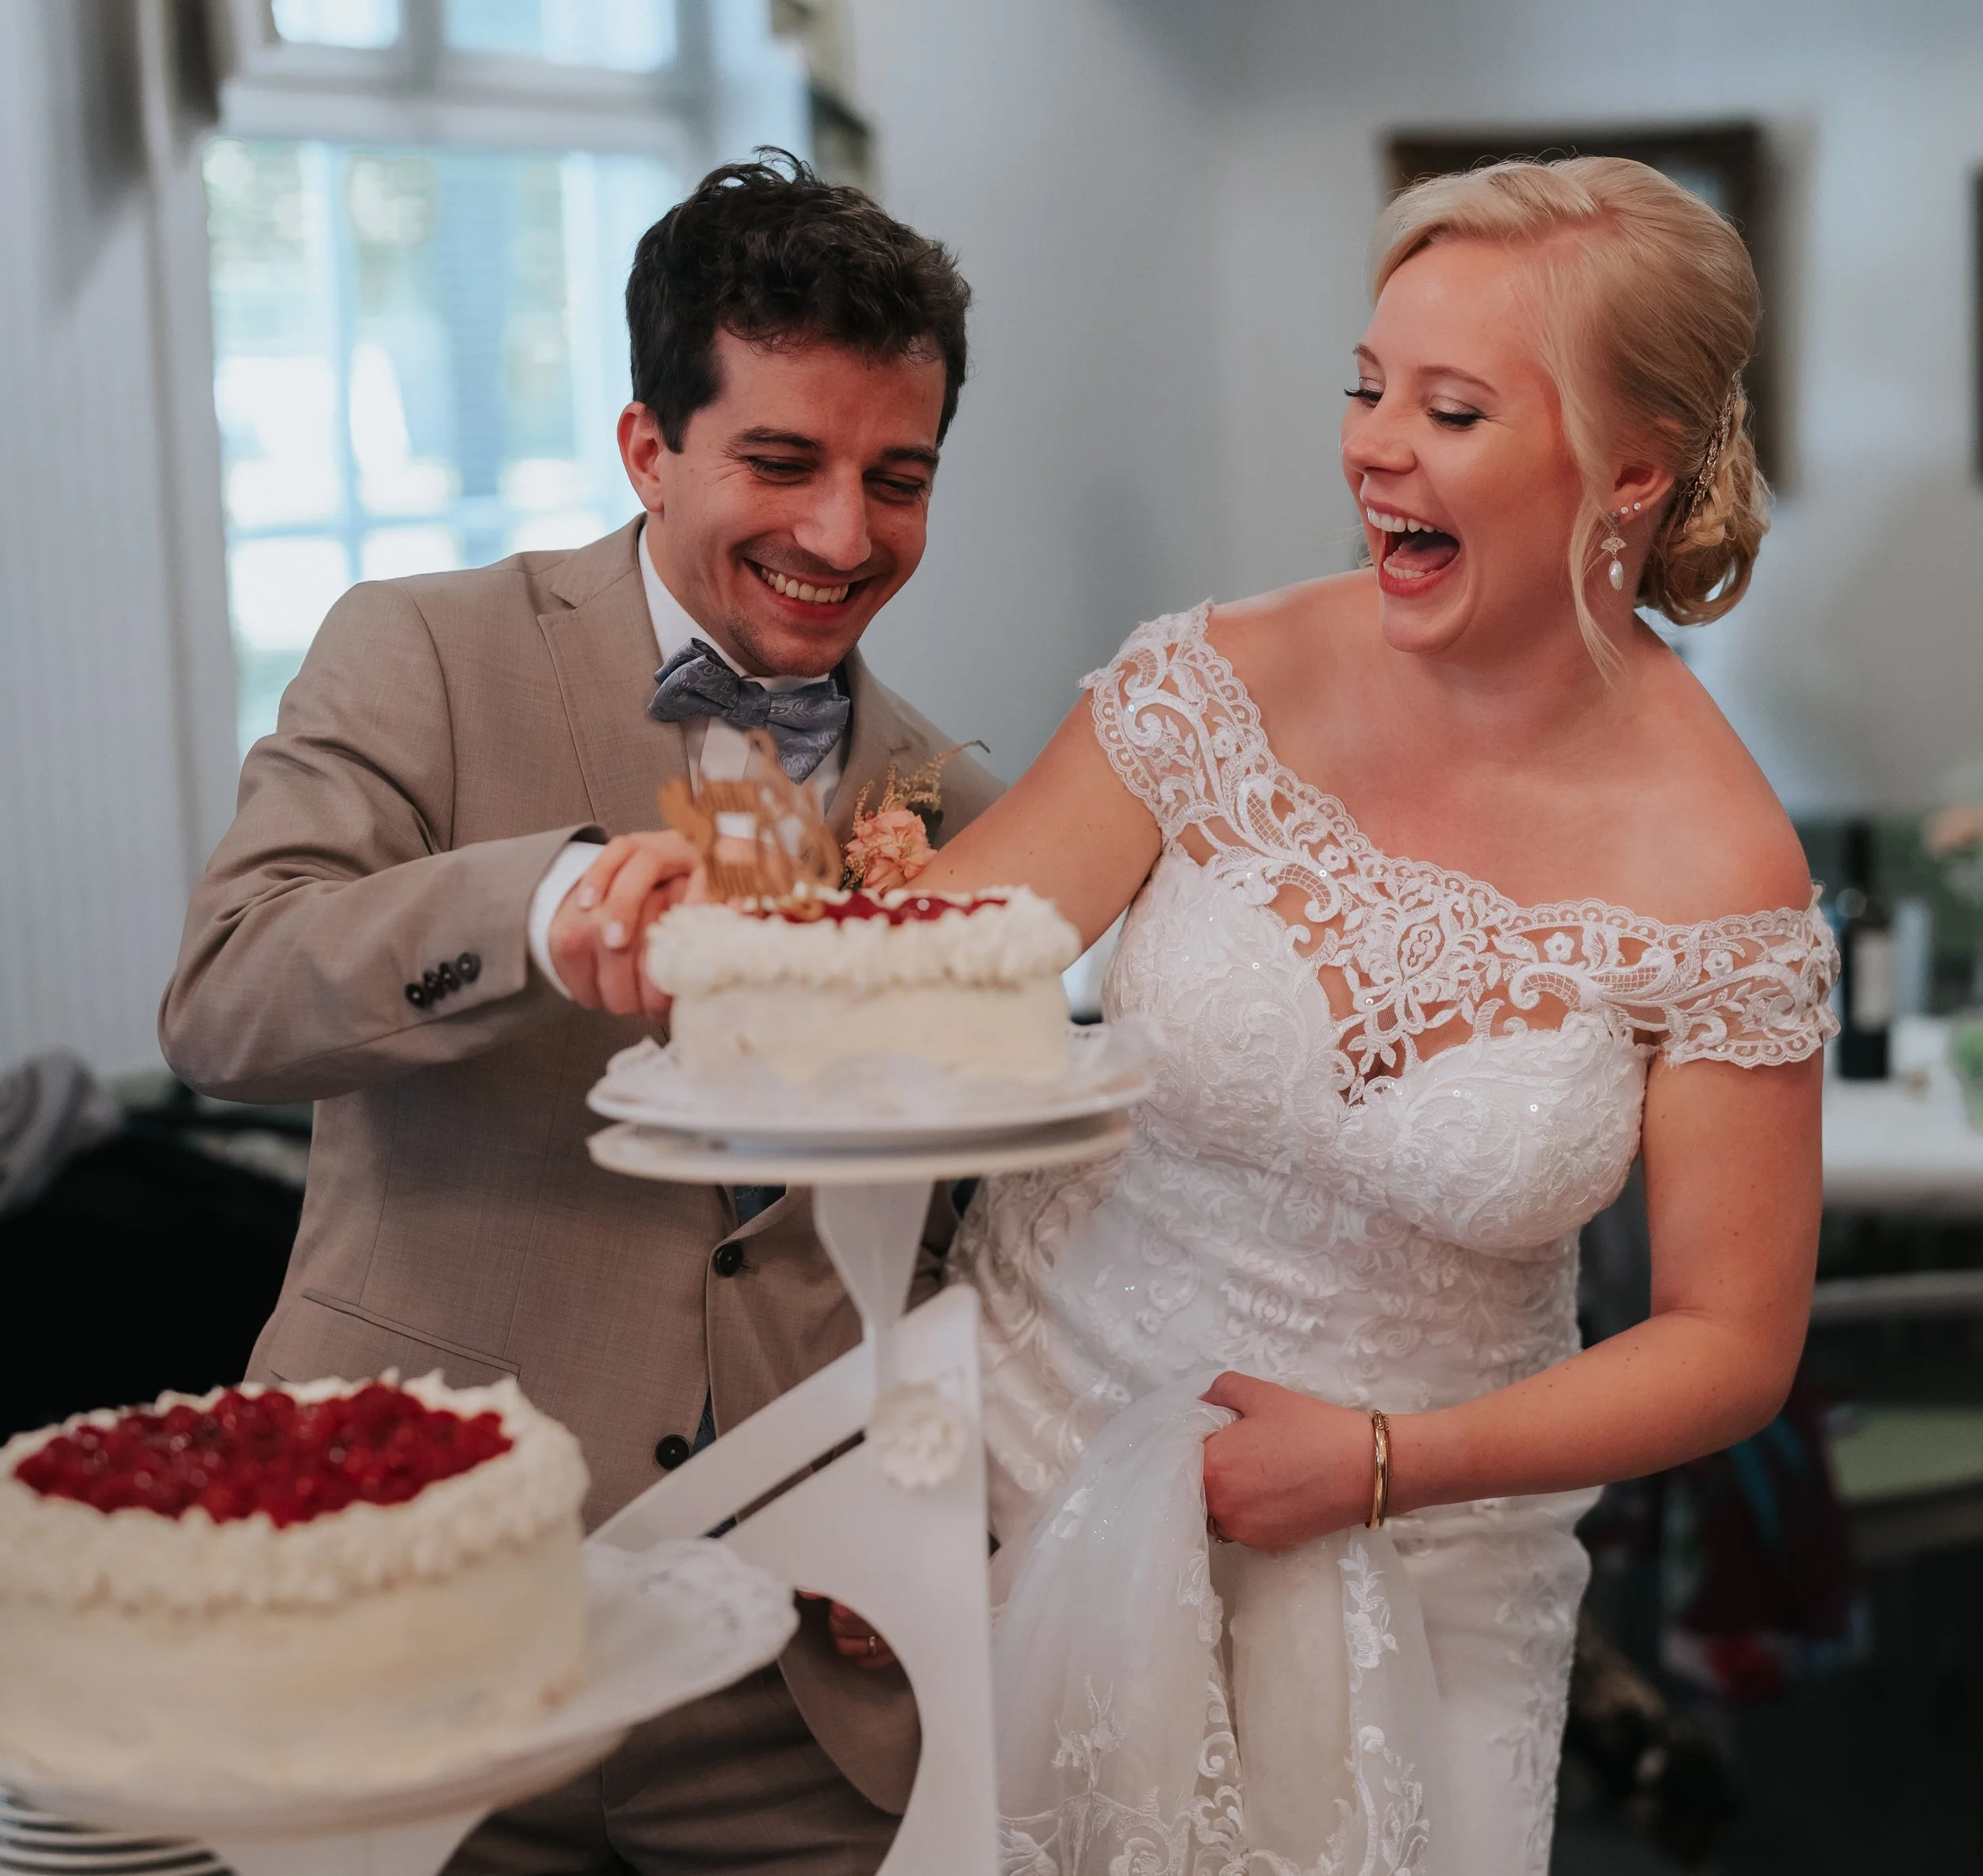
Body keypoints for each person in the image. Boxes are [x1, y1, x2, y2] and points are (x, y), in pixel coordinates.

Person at [588, 155, 1836, 1873]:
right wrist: (715, 929)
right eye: (1365, 385)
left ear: (1627, 470)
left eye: (1449, 409)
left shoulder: (1723, 869)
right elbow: (934, 968)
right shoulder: (1207, 685)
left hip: (1435, 1557)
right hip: (1034, 1469)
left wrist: (1381, 1464)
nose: (1371, 447)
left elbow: (1727, 1344)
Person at [159, 152, 998, 1876]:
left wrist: (941, 1489)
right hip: (414, 1611)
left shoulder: (959, 798)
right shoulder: (420, 651)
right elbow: (226, 999)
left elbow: (977, 1228)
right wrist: (528, 908)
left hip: (794, 1681)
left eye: (893, 479)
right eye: (780, 461)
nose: (842, 536)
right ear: (645, 446)